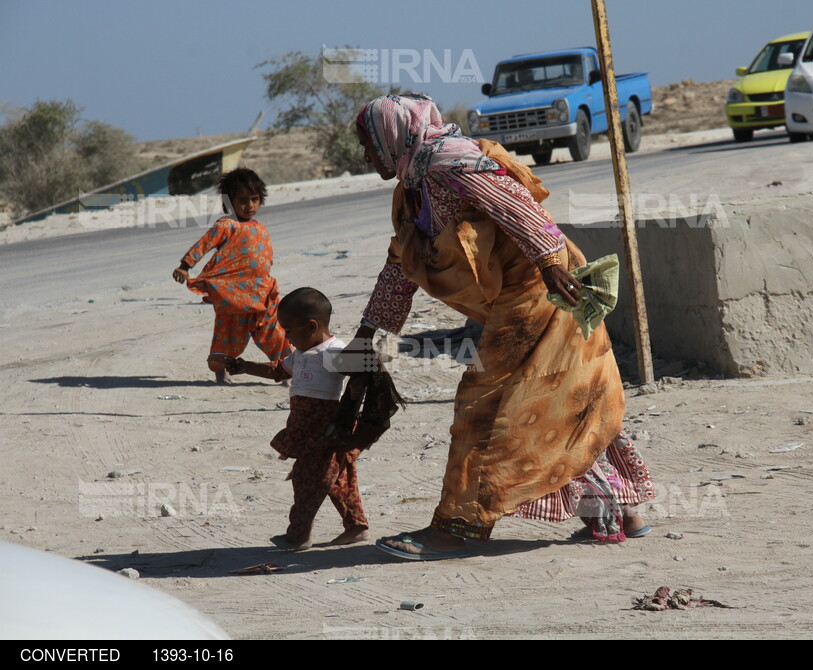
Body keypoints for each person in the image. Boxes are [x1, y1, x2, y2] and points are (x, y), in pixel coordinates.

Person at [348, 94, 656, 560]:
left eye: (370, 145)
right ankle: (617, 512)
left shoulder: (447, 164)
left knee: (485, 407)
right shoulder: (414, 185)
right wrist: (371, 331)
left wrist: (549, 260)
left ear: (394, 137)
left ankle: (457, 528)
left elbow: (515, 203)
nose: (368, 156)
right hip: (526, 297)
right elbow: (402, 263)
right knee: (567, 402)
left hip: (541, 294)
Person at [225, 287, 370, 549]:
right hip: (305, 428)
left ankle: (299, 534)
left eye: (289, 330)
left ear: (312, 325)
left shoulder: (333, 352)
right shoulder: (301, 354)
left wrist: (360, 385)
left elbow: (363, 367)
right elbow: (277, 371)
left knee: (306, 481)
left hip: (323, 432)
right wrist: (245, 367)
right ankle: (356, 527)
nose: (286, 336)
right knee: (339, 480)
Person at [172, 167, 292, 384]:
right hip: (233, 297)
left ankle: (286, 370)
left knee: (275, 333)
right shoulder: (226, 225)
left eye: (255, 199)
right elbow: (204, 244)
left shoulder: (261, 227)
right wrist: (185, 265)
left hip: (261, 294)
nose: (250, 206)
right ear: (230, 202)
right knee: (227, 335)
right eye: (243, 201)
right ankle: (221, 371)